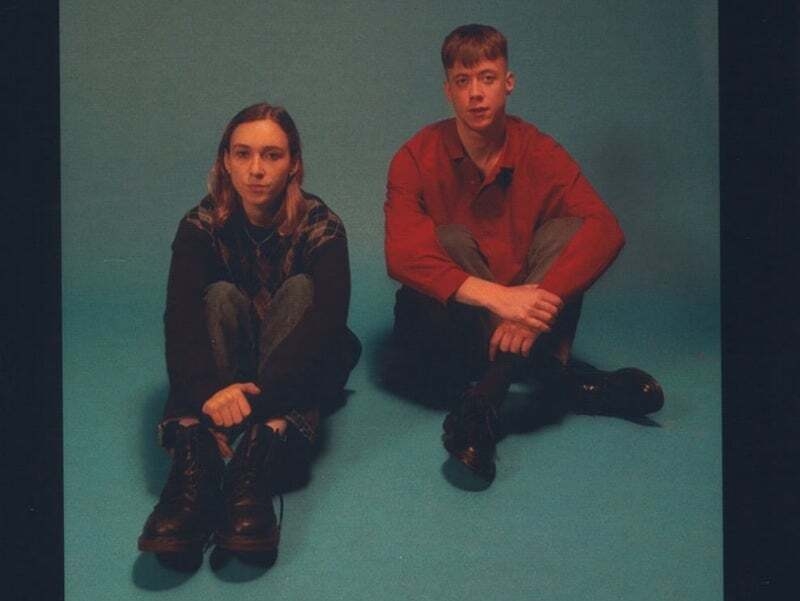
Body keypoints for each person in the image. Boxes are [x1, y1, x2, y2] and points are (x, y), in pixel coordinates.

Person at [383, 24, 663, 485]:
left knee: (569, 231)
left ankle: (485, 400)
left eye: (488, 78)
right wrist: (502, 300)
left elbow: (605, 230)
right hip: (450, 337)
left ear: (508, 83)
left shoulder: (539, 149)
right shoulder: (414, 156)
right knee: (448, 241)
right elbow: (401, 255)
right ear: (448, 91)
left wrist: (528, 312)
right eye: (463, 81)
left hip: (526, 327)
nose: (476, 93)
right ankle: (563, 384)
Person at [138, 102, 361, 568]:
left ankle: (256, 458)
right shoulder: (200, 225)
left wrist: (250, 404)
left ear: (294, 163)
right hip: (226, 369)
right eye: (243, 154)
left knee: (301, 290)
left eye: (272, 155)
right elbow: (180, 318)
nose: (256, 169)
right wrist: (209, 394)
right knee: (218, 295)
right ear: (226, 161)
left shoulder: (322, 225)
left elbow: (327, 323)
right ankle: (194, 465)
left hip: (292, 366)